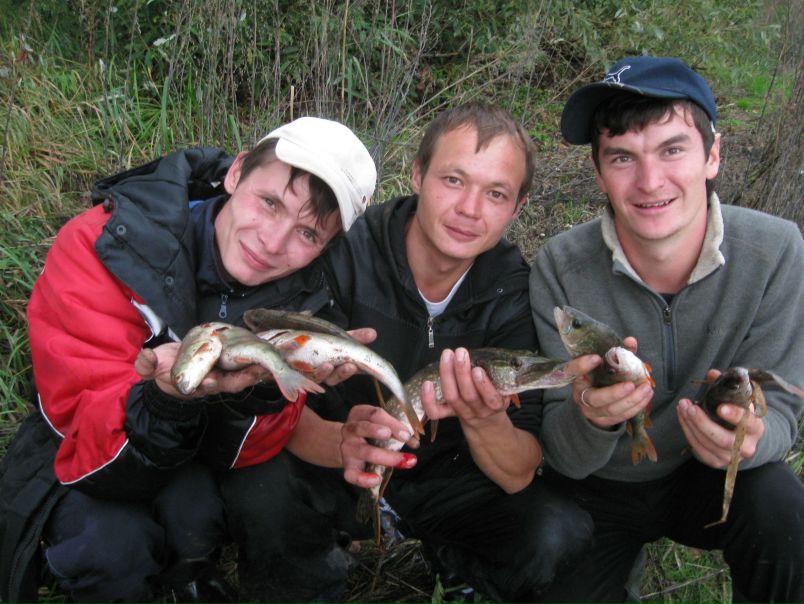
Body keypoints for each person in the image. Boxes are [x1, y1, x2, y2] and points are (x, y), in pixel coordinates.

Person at [217, 103, 597, 604]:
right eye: (454, 180)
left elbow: (520, 469)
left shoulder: (513, 290)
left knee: (558, 530)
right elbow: (271, 394)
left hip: (444, 473)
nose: (470, 209)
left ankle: (458, 568)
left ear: (517, 207)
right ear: (417, 174)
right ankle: (310, 580)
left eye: (496, 193)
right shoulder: (346, 250)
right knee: (257, 488)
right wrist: (340, 442)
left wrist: (485, 420)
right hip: (332, 457)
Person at [0, 117, 377, 604]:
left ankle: (192, 576)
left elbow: (247, 448)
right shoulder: (104, 243)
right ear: (236, 173)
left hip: (191, 454)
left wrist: (261, 389)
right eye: (269, 203)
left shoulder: (305, 299)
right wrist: (164, 400)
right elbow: (86, 427)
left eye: (307, 234)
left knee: (200, 514)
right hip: (79, 450)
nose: (273, 241)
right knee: (114, 548)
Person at [529, 56, 804, 604]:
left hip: (708, 478)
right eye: (623, 157)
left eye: (672, 149)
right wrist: (590, 417)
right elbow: (560, 451)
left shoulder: (777, 252)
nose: (650, 181)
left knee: (782, 507)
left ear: (713, 154)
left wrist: (749, 440)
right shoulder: (558, 268)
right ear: (598, 172)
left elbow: (784, 412)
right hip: (598, 488)